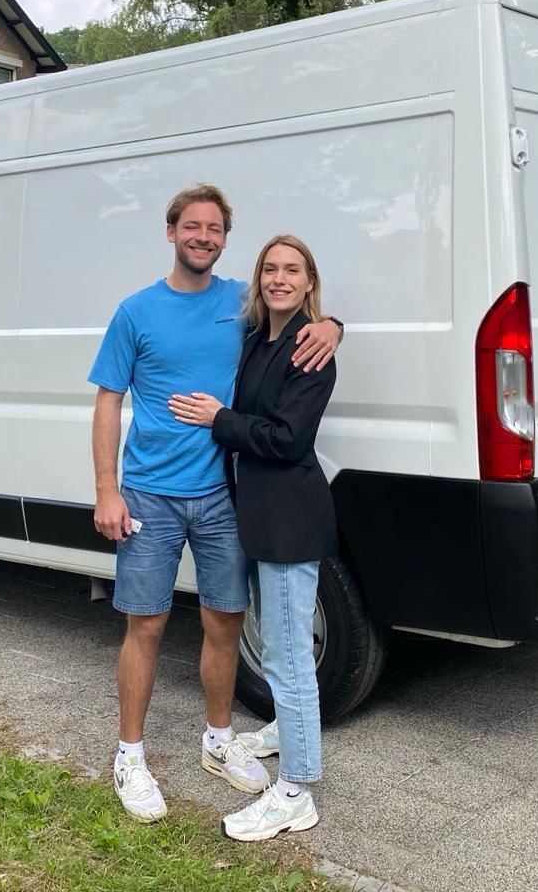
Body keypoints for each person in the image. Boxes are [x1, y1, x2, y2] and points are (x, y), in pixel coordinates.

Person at [88, 186, 342, 823]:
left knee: (225, 622)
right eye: (192, 226)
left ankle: (218, 740)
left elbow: (301, 319)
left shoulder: (242, 303)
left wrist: (335, 326)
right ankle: (130, 756)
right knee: (145, 624)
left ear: (226, 239)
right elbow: (107, 403)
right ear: (171, 231)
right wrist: (106, 491)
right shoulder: (135, 312)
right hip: (149, 494)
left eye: (215, 229)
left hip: (223, 497)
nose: (203, 236)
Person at [170, 234, 337, 842]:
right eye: (270, 269)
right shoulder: (257, 338)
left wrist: (220, 420)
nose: (279, 279)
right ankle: (284, 735)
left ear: (309, 281)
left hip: (290, 519)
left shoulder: (312, 350)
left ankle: (296, 790)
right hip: (258, 517)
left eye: (293, 270)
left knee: (287, 655)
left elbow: (288, 439)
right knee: (277, 642)